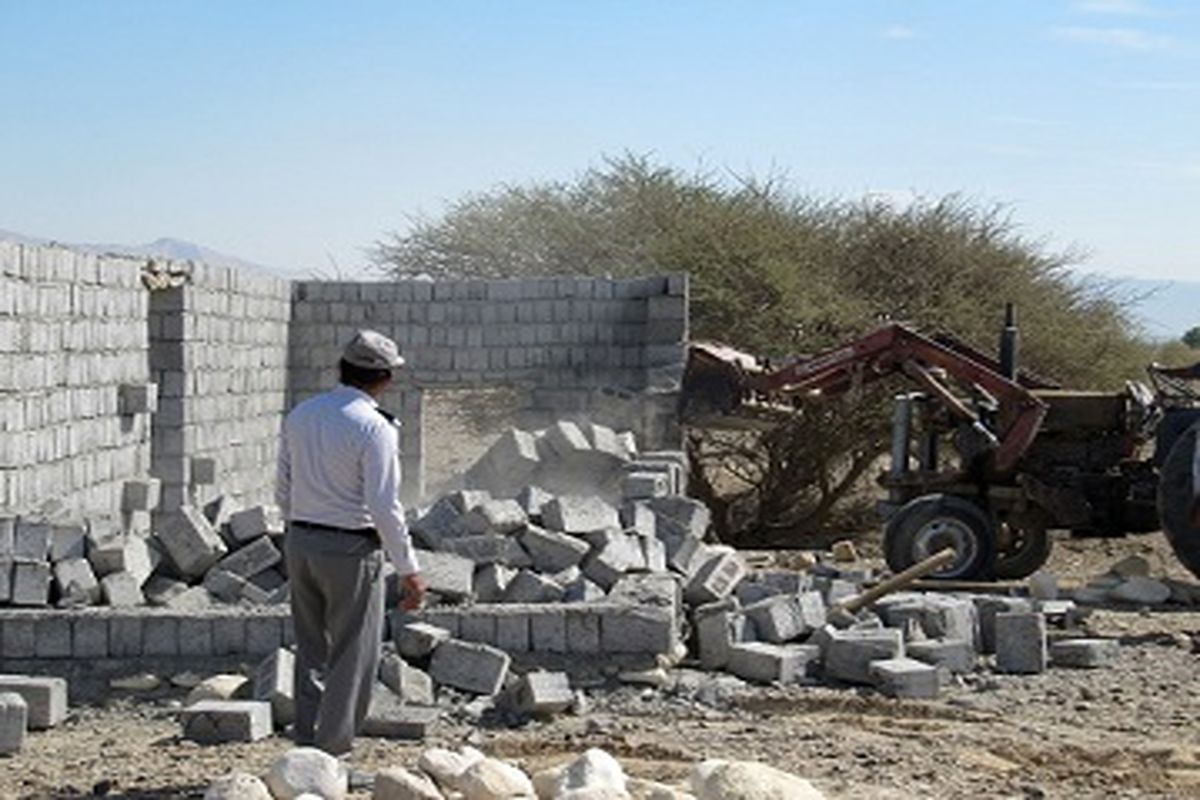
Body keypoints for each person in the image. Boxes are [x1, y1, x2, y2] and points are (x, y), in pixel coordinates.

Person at [275, 329, 426, 757]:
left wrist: (301, 528)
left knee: (311, 648)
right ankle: (332, 753)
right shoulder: (374, 427)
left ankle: (305, 746)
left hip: (301, 542)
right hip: (350, 550)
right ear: (383, 378)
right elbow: (383, 505)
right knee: (352, 654)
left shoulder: (302, 414)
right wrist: (409, 568)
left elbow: (282, 489)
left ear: (343, 370)